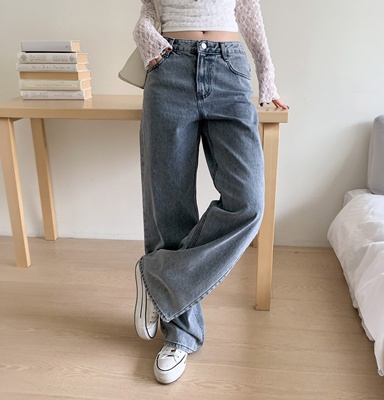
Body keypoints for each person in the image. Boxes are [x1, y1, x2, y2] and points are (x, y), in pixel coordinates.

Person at [133, 0, 288, 385]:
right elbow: (149, 8)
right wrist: (146, 37)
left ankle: (157, 276)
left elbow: (248, 8)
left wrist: (267, 74)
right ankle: (180, 334)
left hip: (229, 68)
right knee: (170, 209)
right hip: (169, 67)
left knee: (248, 202)